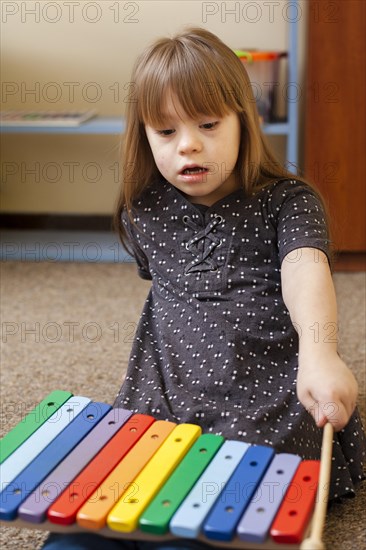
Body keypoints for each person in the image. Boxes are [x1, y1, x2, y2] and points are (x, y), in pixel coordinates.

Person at [42, 27, 365, 550]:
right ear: (143, 136)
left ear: (245, 119)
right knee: (91, 519)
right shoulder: (142, 209)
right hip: (165, 390)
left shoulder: (287, 200)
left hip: (261, 394)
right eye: (165, 131)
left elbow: (306, 268)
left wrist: (320, 354)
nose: (188, 143)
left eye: (209, 124)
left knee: (211, 515)